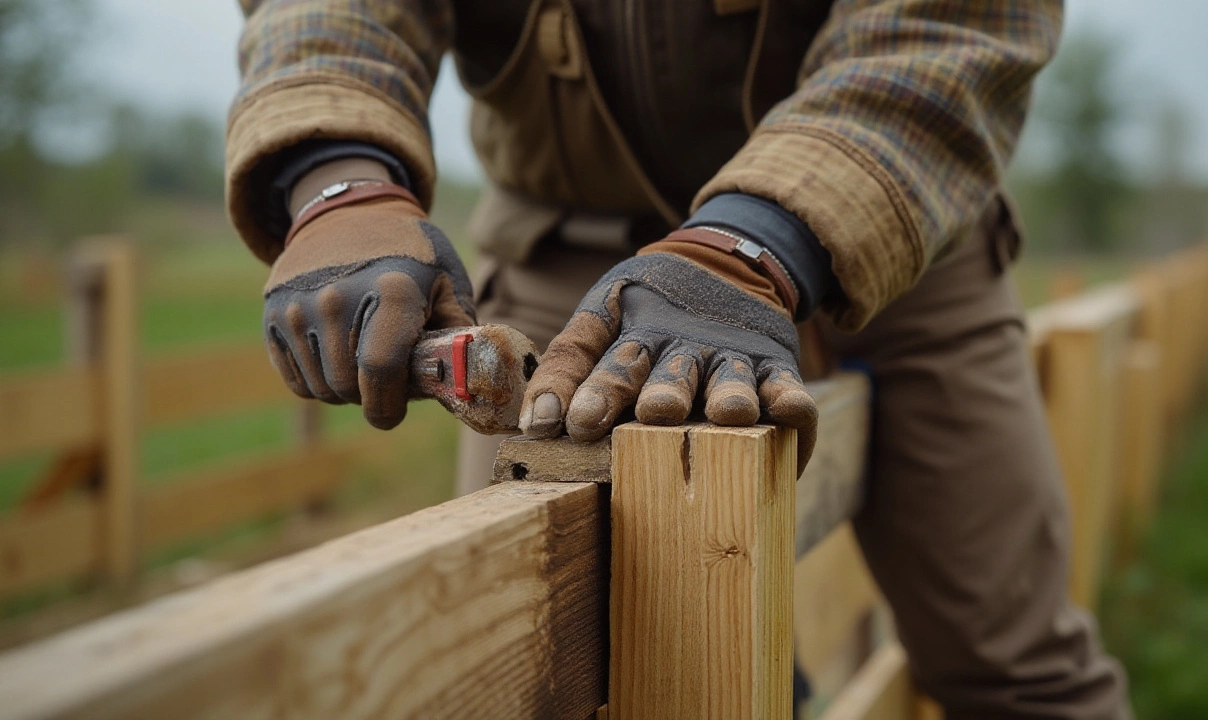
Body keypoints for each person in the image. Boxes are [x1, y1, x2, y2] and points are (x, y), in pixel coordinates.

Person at [228, 1, 1131, 716]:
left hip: (893, 227)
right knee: (561, 663)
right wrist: (337, 178)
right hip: (571, 247)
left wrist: (751, 243)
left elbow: (949, 26)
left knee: (1012, 666)